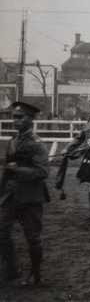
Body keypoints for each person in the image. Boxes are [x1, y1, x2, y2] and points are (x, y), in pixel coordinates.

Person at [0, 102, 50, 286]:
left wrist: (20, 171)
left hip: (31, 196)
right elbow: (7, 168)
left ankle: (35, 274)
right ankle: (12, 268)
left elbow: (43, 172)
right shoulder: (13, 141)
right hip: (11, 195)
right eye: (14, 117)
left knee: (32, 237)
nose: (16, 120)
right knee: (2, 232)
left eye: (20, 117)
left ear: (30, 119)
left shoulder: (37, 144)